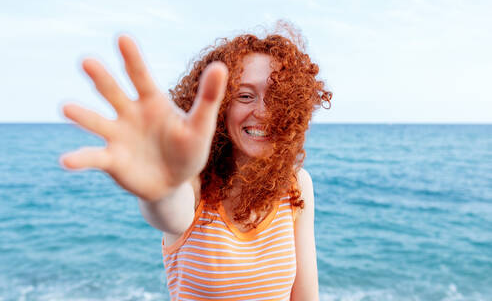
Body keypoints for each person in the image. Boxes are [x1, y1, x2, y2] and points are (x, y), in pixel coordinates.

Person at [60, 22, 332, 301]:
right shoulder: (193, 184)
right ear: (222, 105)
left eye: (277, 99)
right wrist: (163, 183)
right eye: (245, 96)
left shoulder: (296, 186)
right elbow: (170, 211)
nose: (262, 112)